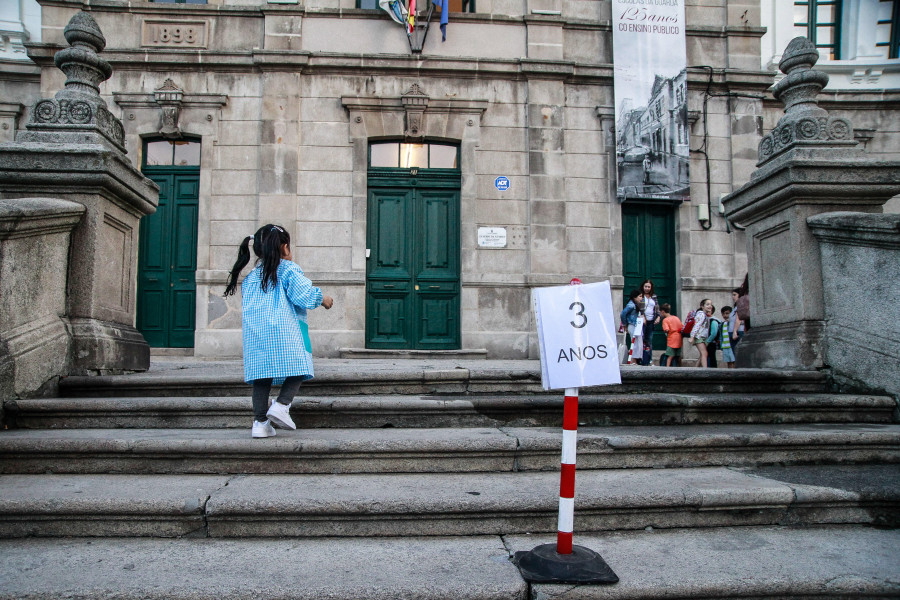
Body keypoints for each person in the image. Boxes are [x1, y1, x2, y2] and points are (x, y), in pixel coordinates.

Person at [224, 224, 334, 439]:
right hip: (285, 329)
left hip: (256, 333)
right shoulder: (288, 269)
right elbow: (303, 295)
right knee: (300, 365)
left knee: (261, 377)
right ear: (285, 247)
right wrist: (324, 299)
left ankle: (260, 423)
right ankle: (282, 405)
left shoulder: (252, 277)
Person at [620, 289, 644, 365]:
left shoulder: (636, 305)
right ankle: (633, 360)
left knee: (638, 342)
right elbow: (623, 314)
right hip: (632, 325)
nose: (641, 298)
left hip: (637, 326)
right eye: (640, 296)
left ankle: (636, 359)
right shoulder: (631, 305)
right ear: (634, 297)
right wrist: (624, 324)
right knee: (635, 342)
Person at [639, 279, 660, 366]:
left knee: (649, 341)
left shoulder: (654, 297)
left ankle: (649, 360)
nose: (647, 288)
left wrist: (658, 317)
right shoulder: (640, 296)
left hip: (651, 321)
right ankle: (640, 359)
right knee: (641, 340)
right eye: (646, 286)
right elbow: (639, 307)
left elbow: (657, 308)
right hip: (642, 321)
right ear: (643, 287)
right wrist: (643, 316)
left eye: (649, 287)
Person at [689, 298, 712, 368]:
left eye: (711, 304)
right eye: (707, 304)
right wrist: (692, 337)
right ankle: (705, 371)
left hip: (701, 336)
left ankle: (695, 370)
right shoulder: (701, 314)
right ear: (702, 306)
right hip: (699, 336)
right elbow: (696, 325)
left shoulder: (704, 315)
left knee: (702, 354)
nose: (710, 306)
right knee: (704, 353)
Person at [659, 303, 683, 367]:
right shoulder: (676, 318)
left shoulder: (665, 320)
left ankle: (667, 368)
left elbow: (666, 330)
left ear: (663, 312)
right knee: (678, 355)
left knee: (670, 355)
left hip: (672, 339)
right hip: (679, 338)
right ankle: (680, 367)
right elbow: (681, 327)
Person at [705, 303, 720, 368]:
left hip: (711, 343)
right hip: (708, 342)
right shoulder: (706, 320)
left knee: (711, 358)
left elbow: (714, 333)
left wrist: (707, 341)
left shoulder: (713, 321)